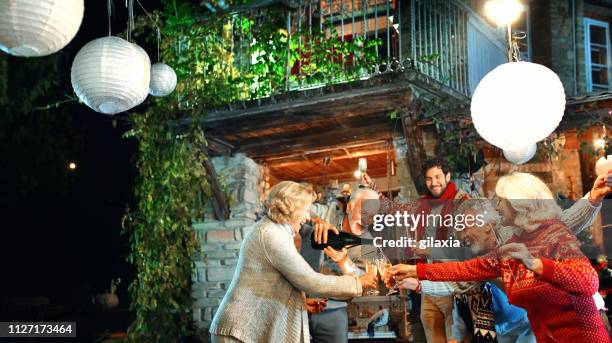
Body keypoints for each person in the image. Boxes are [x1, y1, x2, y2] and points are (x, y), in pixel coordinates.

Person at [386, 172, 611, 343]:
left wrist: (592, 198)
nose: (461, 235)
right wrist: (414, 275)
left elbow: (571, 227)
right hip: (535, 330)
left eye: (466, 228)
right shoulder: (491, 253)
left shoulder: (536, 233)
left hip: (568, 330)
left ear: (486, 226)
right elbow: (458, 277)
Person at [209, 181, 377, 343]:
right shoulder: (272, 235)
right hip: (240, 330)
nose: (308, 215)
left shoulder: (276, 231)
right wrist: (356, 283)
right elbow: (310, 280)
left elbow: (371, 283)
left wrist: (346, 266)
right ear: (349, 207)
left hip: (328, 310)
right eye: (305, 211)